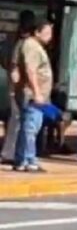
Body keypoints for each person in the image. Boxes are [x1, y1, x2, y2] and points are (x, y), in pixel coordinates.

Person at [13, 19, 53, 173]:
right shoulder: (31, 46)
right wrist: (36, 92)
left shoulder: (34, 46)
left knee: (29, 127)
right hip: (32, 95)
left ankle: (22, 159)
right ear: (37, 32)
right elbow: (31, 69)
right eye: (47, 32)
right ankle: (29, 159)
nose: (50, 36)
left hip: (35, 94)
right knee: (31, 127)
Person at [2, 10, 36, 164]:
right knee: (18, 120)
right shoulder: (25, 42)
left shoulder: (14, 39)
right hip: (21, 86)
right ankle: (10, 153)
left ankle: (13, 152)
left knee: (18, 120)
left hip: (16, 84)